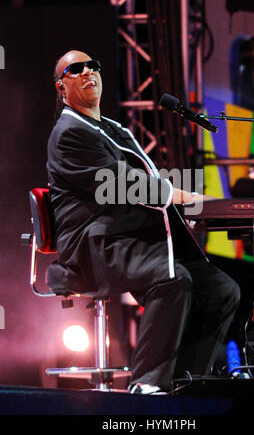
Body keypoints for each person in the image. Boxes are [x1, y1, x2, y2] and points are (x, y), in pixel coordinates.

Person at [47, 49, 240, 395]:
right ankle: (147, 386)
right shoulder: (70, 133)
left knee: (221, 289)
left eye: (94, 65)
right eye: (76, 69)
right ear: (61, 87)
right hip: (94, 242)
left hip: (128, 234)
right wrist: (191, 197)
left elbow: (147, 182)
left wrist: (208, 208)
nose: (89, 71)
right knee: (171, 278)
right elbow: (122, 183)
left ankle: (185, 382)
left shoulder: (109, 128)